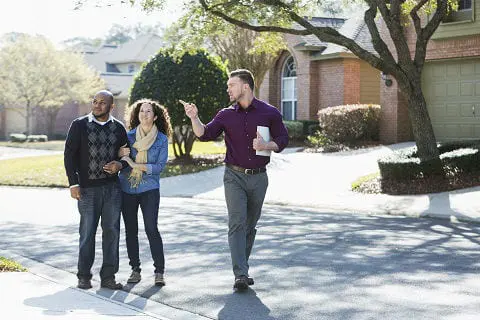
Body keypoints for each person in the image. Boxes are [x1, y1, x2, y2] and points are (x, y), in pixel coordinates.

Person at [183, 69, 289, 291]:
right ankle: (240, 274)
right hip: (234, 176)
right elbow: (205, 133)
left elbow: (283, 138)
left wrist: (266, 146)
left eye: (232, 85)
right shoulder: (225, 114)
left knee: (250, 225)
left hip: (259, 178)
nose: (228, 89)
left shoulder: (269, 113)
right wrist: (194, 117)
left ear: (246, 87)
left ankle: (243, 267)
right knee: (237, 222)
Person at [64, 90, 128, 290]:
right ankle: (84, 276)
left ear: (111, 107)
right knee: (87, 233)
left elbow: (127, 155)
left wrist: (120, 165)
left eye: (102, 103)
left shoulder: (118, 128)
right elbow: (69, 155)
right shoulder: (79, 125)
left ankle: (108, 277)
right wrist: (73, 183)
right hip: (87, 190)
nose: (97, 105)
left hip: (112, 190)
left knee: (112, 233)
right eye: (95, 101)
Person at [118, 99, 172, 287]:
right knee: (131, 230)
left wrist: (134, 164)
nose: (144, 114)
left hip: (149, 189)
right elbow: (121, 160)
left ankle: (159, 271)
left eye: (148, 111)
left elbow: (158, 167)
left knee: (151, 229)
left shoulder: (162, 139)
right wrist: (122, 158)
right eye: (141, 111)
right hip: (127, 188)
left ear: (155, 116)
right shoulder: (128, 136)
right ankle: (135, 269)